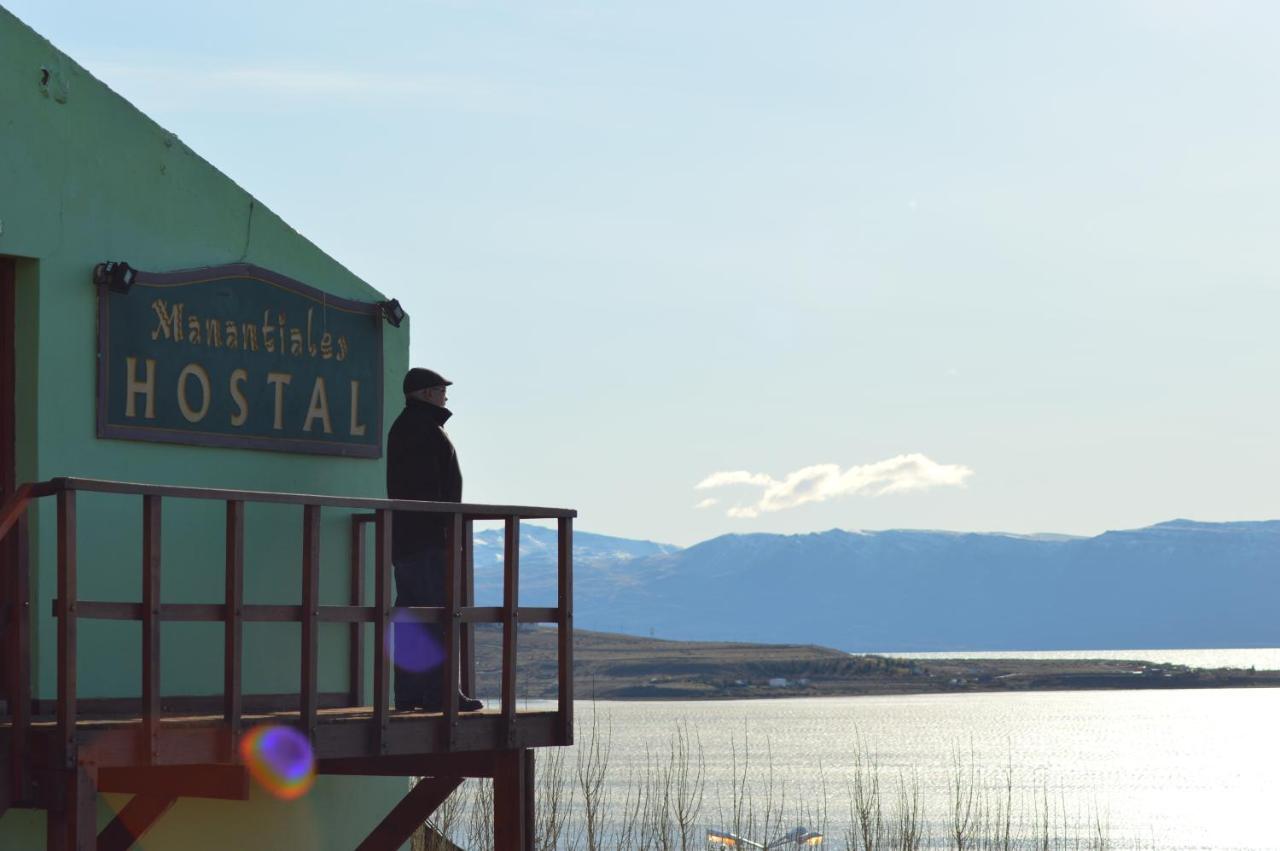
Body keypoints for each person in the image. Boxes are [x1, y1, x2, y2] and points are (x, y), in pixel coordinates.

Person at [386, 367, 483, 713]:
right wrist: (446, 532)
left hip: (406, 541)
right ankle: (440, 693)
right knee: (439, 615)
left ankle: (411, 694)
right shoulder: (426, 430)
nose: (445, 396)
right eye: (442, 390)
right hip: (429, 541)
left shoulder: (404, 428)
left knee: (413, 617)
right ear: (427, 393)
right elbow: (433, 492)